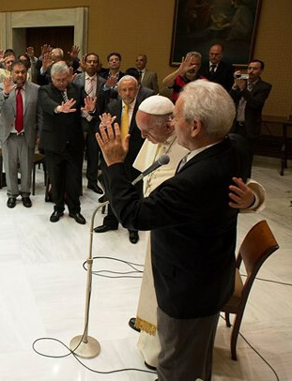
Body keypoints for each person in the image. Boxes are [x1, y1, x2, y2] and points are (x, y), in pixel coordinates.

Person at [96, 80, 250, 381]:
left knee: (174, 367)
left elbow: (134, 215)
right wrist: (253, 197)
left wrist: (114, 165)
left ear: (195, 126)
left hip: (187, 289)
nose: (171, 123)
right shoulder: (236, 145)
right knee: (187, 354)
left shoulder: (194, 182)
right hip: (210, 271)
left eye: (175, 118)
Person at [129, 95, 266, 370]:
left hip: (188, 265)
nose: (143, 137)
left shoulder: (203, 153)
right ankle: (152, 335)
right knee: (152, 290)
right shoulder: (183, 141)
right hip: (166, 237)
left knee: (173, 332)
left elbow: (246, 188)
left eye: (174, 120)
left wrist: (253, 200)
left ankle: (166, 354)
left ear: (185, 126)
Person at [38, 62, 94, 224]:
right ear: (52, 78)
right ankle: (58, 208)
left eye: (64, 79)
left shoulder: (76, 89)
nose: (62, 83)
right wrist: (59, 108)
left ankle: (75, 210)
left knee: (74, 179)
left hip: (74, 143)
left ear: (69, 77)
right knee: (56, 179)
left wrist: (89, 109)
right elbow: (46, 104)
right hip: (54, 144)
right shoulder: (45, 90)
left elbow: (85, 106)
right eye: (58, 80)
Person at [94, 75, 146, 244]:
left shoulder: (143, 108)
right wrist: (104, 126)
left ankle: (133, 226)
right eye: (124, 89)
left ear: (137, 89)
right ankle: (111, 221)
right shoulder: (112, 106)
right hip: (115, 154)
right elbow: (101, 129)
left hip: (135, 154)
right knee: (112, 187)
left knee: (134, 188)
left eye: (131, 89)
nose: (127, 93)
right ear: (118, 90)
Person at [0, 61, 42, 208]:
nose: (20, 75)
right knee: (10, 166)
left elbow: (40, 114)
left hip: (27, 134)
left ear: (27, 72)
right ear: (11, 73)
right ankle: (12, 194)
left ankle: (25, 193)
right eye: (17, 72)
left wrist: (39, 133)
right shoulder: (2, 86)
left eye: (23, 72)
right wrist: (6, 93)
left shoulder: (36, 89)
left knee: (27, 166)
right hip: (9, 134)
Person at [229, 59, 272, 177]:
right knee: (232, 156)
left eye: (255, 69)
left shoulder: (264, 87)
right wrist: (234, 86)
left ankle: (245, 182)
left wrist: (243, 89)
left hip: (250, 128)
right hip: (236, 126)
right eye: (249, 68)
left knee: (246, 158)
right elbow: (230, 100)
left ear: (261, 71)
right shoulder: (241, 83)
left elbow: (255, 103)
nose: (251, 71)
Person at [73, 52, 106, 194]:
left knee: (94, 153)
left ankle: (92, 182)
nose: (92, 64)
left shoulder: (104, 83)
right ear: (84, 64)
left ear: (98, 65)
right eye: (89, 61)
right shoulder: (75, 80)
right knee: (77, 154)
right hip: (79, 121)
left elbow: (105, 104)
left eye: (95, 62)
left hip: (95, 122)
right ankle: (76, 184)